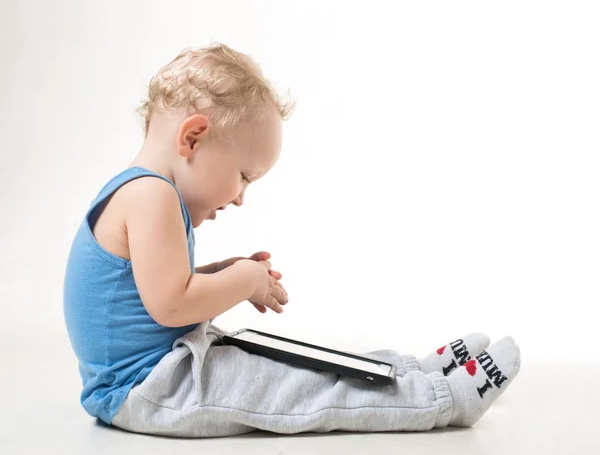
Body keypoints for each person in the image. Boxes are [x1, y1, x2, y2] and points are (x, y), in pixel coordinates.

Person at [63, 44, 521, 437]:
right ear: (194, 137)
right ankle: (443, 400)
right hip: (148, 387)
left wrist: (222, 273)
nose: (241, 197)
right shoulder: (151, 195)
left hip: (159, 370)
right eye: (243, 176)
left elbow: (154, 293)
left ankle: (409, 370)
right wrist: (243, 280)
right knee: (296, 389)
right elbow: (171, 306)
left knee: (287, 359)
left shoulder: (140, 190)